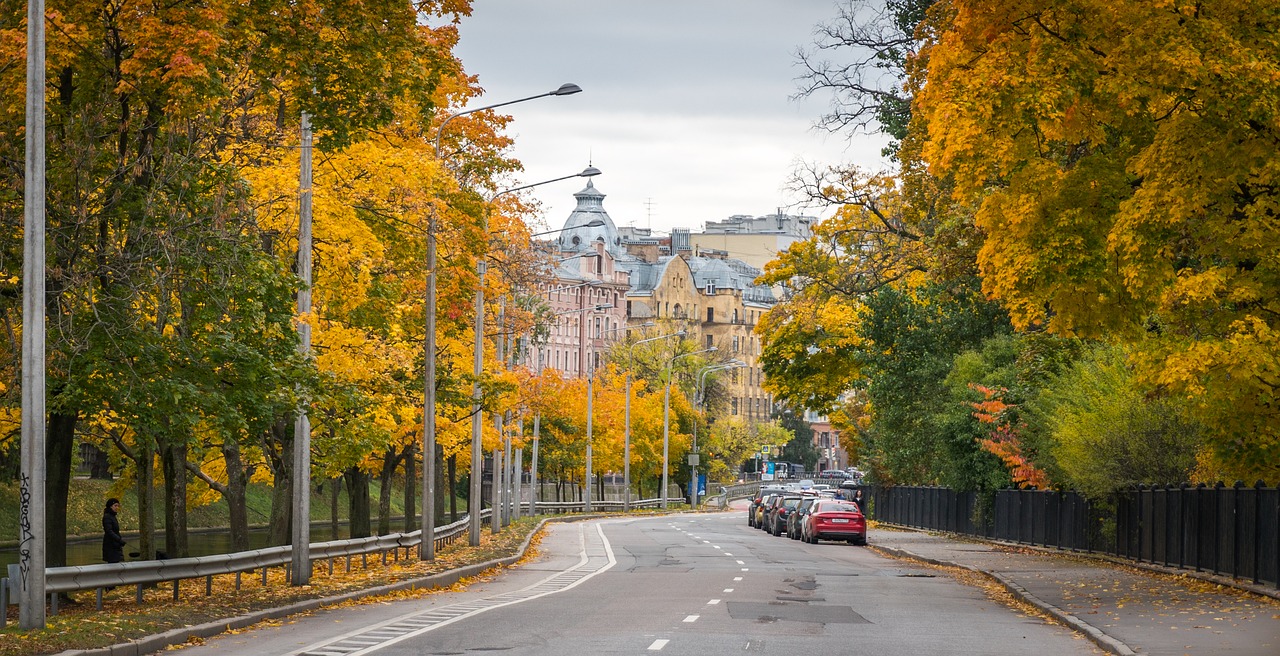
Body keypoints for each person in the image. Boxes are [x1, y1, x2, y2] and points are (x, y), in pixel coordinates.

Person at [102, 497, 126, 564]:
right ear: (110, 506)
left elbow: (115, 531)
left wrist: (119, 540)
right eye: (115, 505)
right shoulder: (107, 517)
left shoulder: (113, 516)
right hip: (110, 546)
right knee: (113, 562)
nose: (117, 507)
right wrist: (119, 540)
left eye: (118, 506)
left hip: (116, 545)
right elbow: (109, 531)